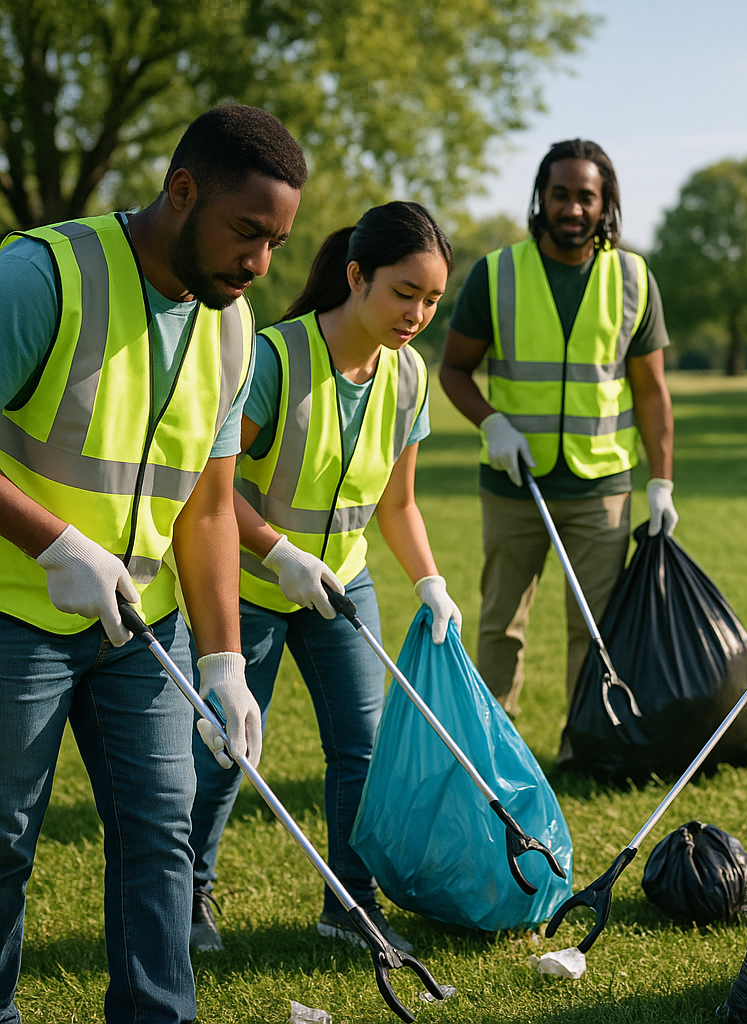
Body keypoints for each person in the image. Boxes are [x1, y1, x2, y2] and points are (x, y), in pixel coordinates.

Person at [0, 105, 306, 1024]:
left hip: (145, 630)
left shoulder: (234, 326)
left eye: (277, 243)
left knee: (161, 835)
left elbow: (211, 503)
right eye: (246, 233)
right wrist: (51, 542)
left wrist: (224, 662)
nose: (259, 263)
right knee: (4, 843)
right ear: (182, 192)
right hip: (17, 613)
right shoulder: (39, 275)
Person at [188, 201, 461, 955]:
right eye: (404, 292)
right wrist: (279, 552)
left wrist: (430, 580)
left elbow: (398, 504)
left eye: (432, 300)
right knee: (227, 745)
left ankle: (349, 902)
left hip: (342, 585)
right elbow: (208, 492)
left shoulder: (409, 379)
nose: (417, 314)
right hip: (248, 586)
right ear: (356, 276)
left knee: (361, 750)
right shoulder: (275, 358)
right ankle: (189, 896)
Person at [439, 138, 677, 740]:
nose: (573, 208)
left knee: (594, 626)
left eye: (586, 197)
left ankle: (586, 743)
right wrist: (492, 423)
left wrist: (662, 482)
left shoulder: (632, 277)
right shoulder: (496, 273)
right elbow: (453, 370)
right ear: (541, 199)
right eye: (561, 194)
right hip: (514, 487)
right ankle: (492, 751)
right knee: (500, 625)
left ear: (606, 204)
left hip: (602, 488)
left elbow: (651, 390)